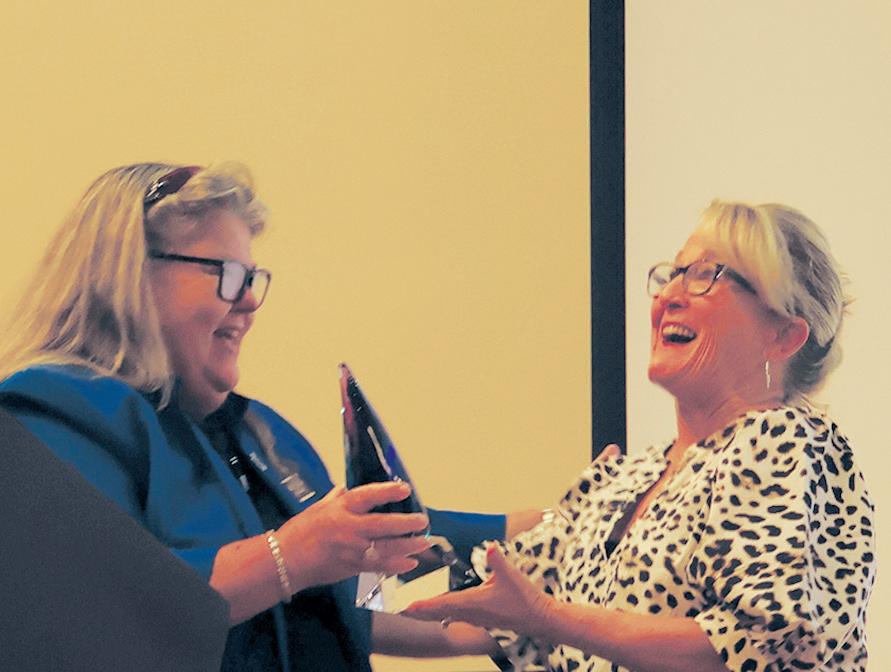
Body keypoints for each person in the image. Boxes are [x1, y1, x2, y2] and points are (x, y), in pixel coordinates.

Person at [0, 163, 521, 670]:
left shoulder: (255, 431)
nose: (250, 301)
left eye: (252, 278)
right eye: (227, 275)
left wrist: (533, 550)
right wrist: (291, 555)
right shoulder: (51, 409)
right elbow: (107, 603)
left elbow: (353, 579)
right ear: (132, 274)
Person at [403, 200, 877, 672]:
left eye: (705, 276)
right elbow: (486, 621)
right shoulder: (623, 478)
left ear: (783, 336)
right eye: (674, 273)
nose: (669, 294)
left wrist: (548, 617)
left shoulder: (788, 444)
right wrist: (353, 591)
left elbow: (756, 646)